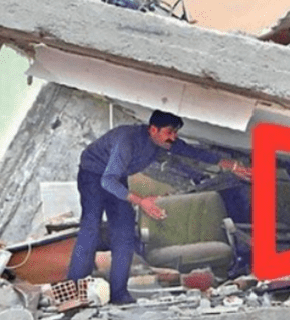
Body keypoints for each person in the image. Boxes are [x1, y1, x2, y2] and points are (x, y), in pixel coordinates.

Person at [67, 110, 251, 304]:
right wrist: (142, 201)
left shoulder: (161, 141)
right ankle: (75, 292)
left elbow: (193, 152)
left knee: (124, 233)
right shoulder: (126, 142)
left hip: (117, 177)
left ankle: (119, 294)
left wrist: (232, 166)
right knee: (90, 228)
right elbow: (107, 181)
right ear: (153, 129)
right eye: (170, 132)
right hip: (93, 175)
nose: (173, 137)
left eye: (175, 133)